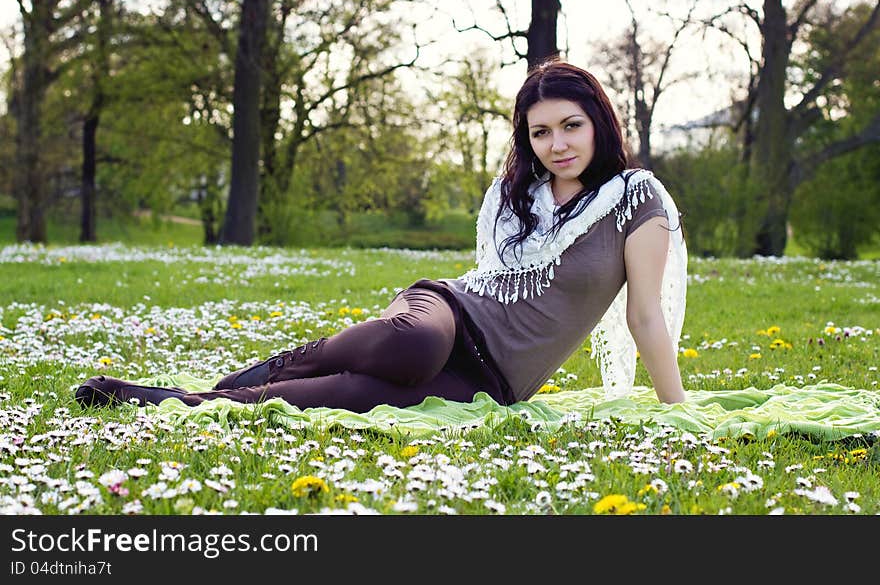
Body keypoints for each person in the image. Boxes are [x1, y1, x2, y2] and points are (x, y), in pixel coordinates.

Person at [75, 59, 688, 413]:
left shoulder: (636, 199)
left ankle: (176, 400)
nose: (555, 145)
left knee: (358, 399)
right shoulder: (516, 196)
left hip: (494, 381)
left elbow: (645, 317)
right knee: (414, 351)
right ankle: (274, 365)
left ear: (598, 123)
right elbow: (492, 281)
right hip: (446, 313)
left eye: (570, 126)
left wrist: (676, 411)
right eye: (540, 132)